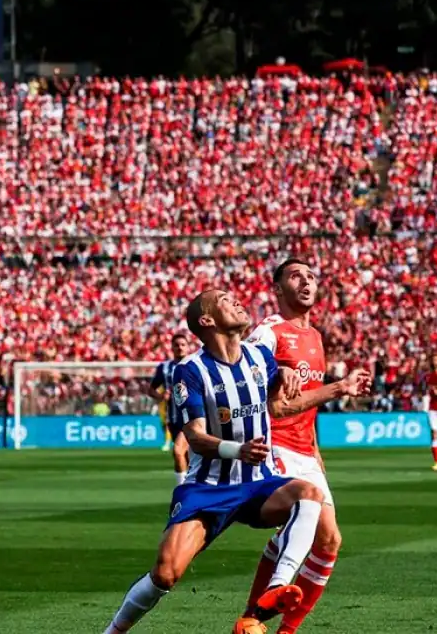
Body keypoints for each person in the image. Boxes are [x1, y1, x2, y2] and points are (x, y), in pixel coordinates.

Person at [102, 289, 331, 634]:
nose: (237, 301)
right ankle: (112, 631)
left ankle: (276, 587)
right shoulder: (190, 371)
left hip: (258, 483)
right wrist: (235, 450)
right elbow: (194, 436)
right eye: (225, 300)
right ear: (207, 320)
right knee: (165, 574)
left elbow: (277, 400)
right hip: (209, 487)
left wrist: (285, 372)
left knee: (309, 494)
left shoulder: (259, 358)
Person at [238, 258, 372, 634]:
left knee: (328, 541)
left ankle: (262, 622)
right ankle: (260, 614)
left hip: (305, 450)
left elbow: (307, 408)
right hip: (275, 447)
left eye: (312, 276)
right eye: (296, 276)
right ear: (278, 288)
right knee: (314, 528)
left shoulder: (314, 337)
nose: (307, 282)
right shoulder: (269, 330)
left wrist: (317, 456)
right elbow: (275, 405)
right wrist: (335, 387)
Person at [150, 333, 193, 484]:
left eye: (183, 344)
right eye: (176, 345)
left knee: (178, 451)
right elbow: (151, 389)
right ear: (172, 347)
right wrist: (161, 396)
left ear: (188, 347)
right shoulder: (165, 368)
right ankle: (192, 487)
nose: (180, 347)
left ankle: (183, 492)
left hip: (193, 418)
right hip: (173, 419)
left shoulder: (195, 364)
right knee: (186, 456)